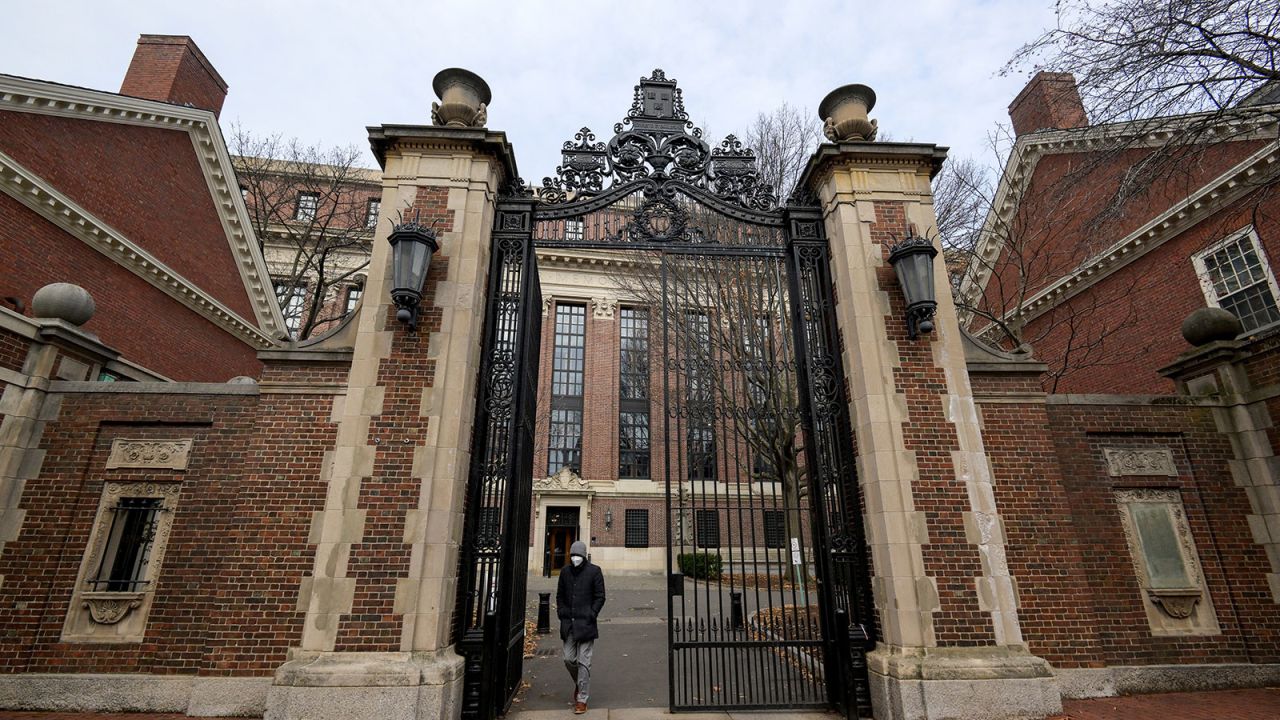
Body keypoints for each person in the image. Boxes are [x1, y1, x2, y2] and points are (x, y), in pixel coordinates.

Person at [556, 540, 606, 714]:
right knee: (568, 659)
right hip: (569, 623)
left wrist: (592, 614)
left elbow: (600, 596)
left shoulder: (594, 572)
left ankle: (582, 698)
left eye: (579, 555)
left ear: (584, 556)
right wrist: (562, 612)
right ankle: (580, 683)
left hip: (586, 624)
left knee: (584, 662)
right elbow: (560, 595)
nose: (576, 558)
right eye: (573, 555)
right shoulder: (565, 572)